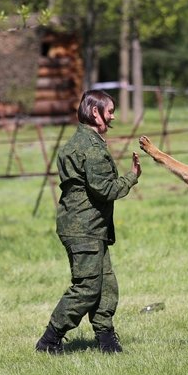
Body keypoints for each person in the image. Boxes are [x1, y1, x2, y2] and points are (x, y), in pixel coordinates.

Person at [35, 90, 142, 355]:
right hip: (84, 227)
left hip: (88, 226)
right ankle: (49, 340)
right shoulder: (91, 148)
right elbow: (104, 189)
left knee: (106, 284)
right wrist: (132, 177)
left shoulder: (76, 142)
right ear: (95, 112)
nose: (113, 116)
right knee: (86, 288)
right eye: (110, 110)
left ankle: (106, 341)